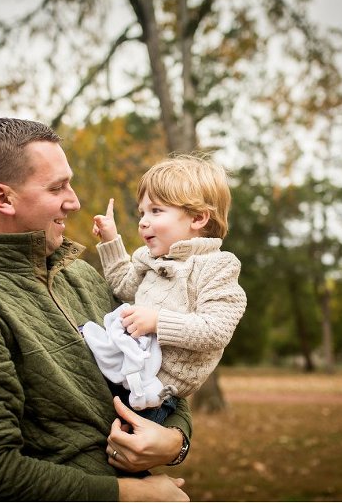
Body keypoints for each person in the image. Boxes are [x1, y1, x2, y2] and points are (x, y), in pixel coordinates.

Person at [0, 118, 191, 502]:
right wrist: (128, 495)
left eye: (70, 183)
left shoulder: (85, 276)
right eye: (57, 187)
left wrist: (175, 440)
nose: (74, 201)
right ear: (3, 198)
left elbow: (160, 368)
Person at [87, 155, 247, 423]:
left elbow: (216, 330)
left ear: (197, 218)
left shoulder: (218, 267)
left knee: (125, 446)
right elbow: (121, 285)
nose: (143, 221)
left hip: (156, 393)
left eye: (156, 211)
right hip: (125, 368)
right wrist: (111, 239)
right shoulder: (148, 259)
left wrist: (157, 322)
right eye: (142, 213)